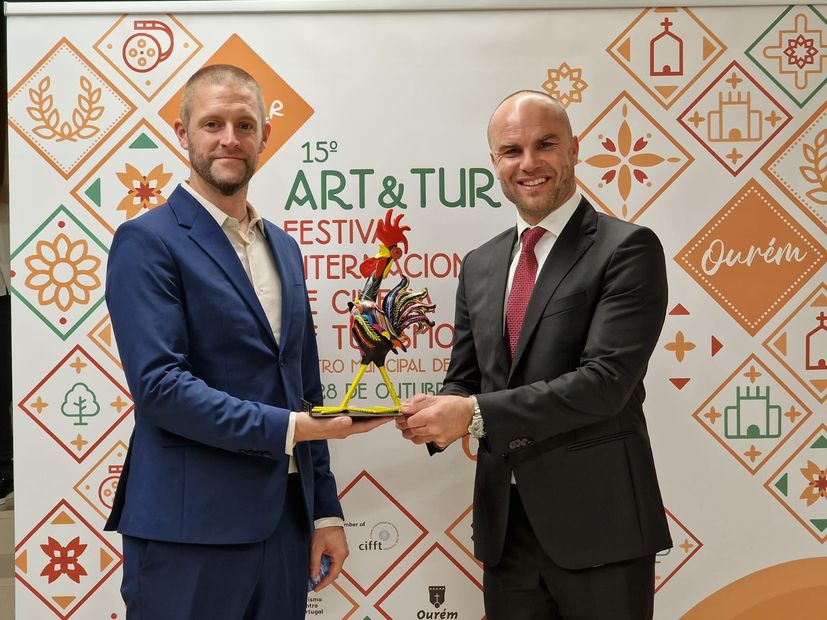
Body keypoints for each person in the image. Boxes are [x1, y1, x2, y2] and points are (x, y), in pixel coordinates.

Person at [105, 64, 387, 620]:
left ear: (265, 136)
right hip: (188, 531)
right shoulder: (146, 241)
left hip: (284, 526)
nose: (229, 139)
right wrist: (290, 428)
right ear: (183, 134)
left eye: (244, 124)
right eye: (212, 124)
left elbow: (305, 390)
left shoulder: (284, 248)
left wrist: (324, 512)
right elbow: (160, 388)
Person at [397, 90, 672, 619]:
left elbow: (605, 383)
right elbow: (467, 379)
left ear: (574, 148)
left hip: (601, 529)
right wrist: (428, 414)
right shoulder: (480, 264)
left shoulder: (627, 248)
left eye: (545, 145)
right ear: (495, 162)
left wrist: (471, 414)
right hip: (506, 533)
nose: (529, 163)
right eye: (512, 150)